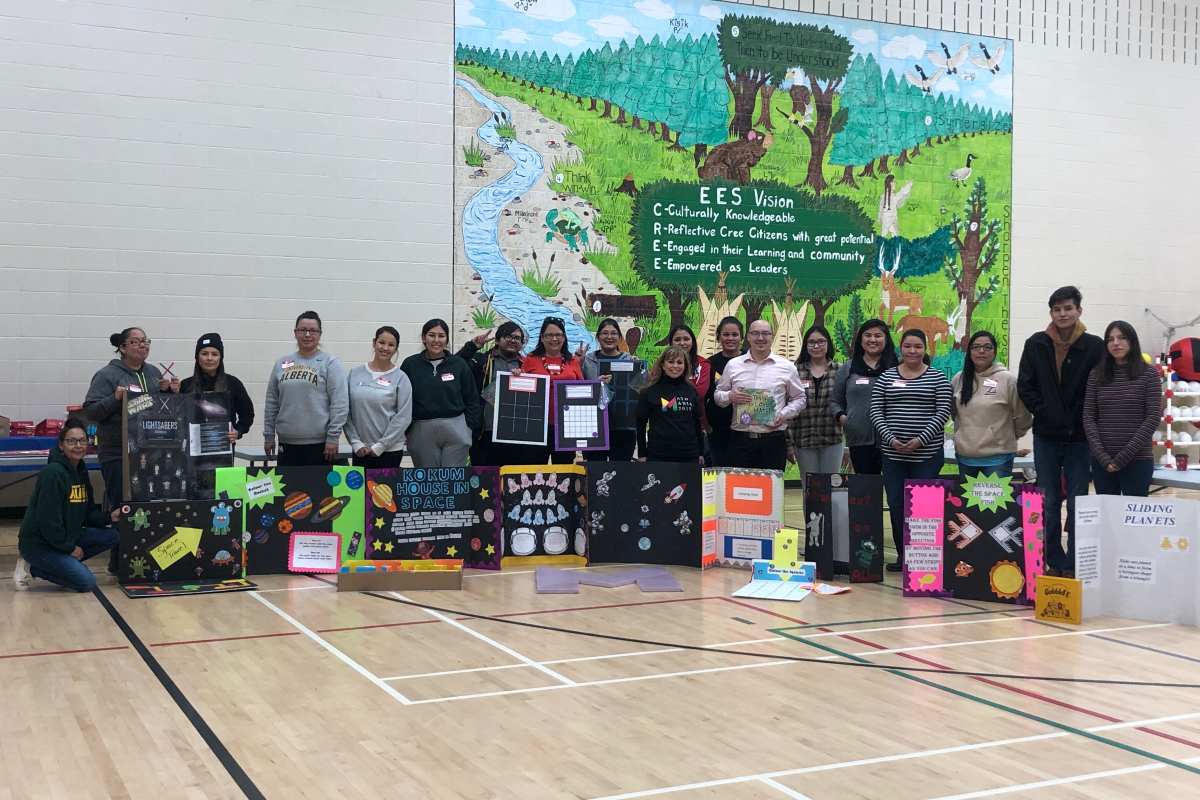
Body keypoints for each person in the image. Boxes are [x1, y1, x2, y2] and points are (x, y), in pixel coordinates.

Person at [1017, 286, 1105, 576]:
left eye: (1068, 308)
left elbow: (1100, 388)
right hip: (1046, 437)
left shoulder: (1094, 346)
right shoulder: (1035, 343)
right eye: (1057, 309)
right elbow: (1025, 386)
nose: (1063, 314)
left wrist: (1083, 418)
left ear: (1079, 310)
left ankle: (1075, 562)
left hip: (1081, 438)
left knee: (1079, 501)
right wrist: (1044, 411)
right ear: (1051, 313)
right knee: (1049, 501)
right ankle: (1054, 559)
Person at [871, 329, 953, 571]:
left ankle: (923, 558)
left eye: (918, 346)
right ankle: (903, 556)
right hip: (893, 456)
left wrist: (920, 440)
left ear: (924, 349)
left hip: (927, 456)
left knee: (923, 508)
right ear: (901, 348)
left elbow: (943, 412)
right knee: (897, 504)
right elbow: (876, 411)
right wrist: (890, 439)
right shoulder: (886, 377)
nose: (912, 351)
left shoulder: (938, 378)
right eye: (907, 346)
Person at [12, 419, 121, 592]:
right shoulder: (53, 473)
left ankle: (62, 566)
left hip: (67, 535)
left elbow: (88, 514)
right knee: (86, 582)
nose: (78, 446)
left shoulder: (81, 471)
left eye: (82, 441)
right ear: (61, 445)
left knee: (113, 535)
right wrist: (69, 548)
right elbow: (48, 522)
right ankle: (32, 567)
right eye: (71, 441)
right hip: (39, 544)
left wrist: (110, 517)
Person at [84, 327, 177, 512]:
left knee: (151, 508)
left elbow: (160, 411)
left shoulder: (154, 373)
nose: (143, 345)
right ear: (123, 348)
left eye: (145, 341)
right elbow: (91, 412)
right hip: (118, 455)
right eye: (135, 341)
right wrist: (114, 398)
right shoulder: (107, 375)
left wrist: (169, 392)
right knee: (123, 510)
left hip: (151, 454)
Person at [713, 319, 807, 471]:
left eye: (765, 333)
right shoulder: (733, 365)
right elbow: (718, 396)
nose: (760, 338)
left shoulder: (787, 367)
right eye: (755, 333)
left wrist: (783, 414)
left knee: (771, 485)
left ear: (772, 336)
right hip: (740, 440)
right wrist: (730, 396)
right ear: (748, 337)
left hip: (773, 441)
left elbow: (800, 398)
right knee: (739, 485)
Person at [1083, 321, 1162, 498]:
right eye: (1110, 339)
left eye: (1122, 338)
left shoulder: (1149, 374)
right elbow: (1088, 417)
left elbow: (1152, 418)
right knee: (1108, 513)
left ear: (1132, 341)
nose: (1116, 343)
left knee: (1133, 514)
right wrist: (1103, 457)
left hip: (1137, 461)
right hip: (1102, 463)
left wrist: (1122, 458)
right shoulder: (1096, 375)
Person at [263, 311, 349, 466]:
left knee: (319, 483)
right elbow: (272, 402)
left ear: (320, 334)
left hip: (321, 445)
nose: (307, 334)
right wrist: (269, 435)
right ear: (295, 332)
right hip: (287, 444)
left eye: (313, 330)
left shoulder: (330, 363)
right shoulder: (281, 363)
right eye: (303, 330)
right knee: (290, 483)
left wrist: (333, 437)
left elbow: (340, 403)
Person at [951, 331, 1031, 478]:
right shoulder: (959, 379)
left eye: (987, 347)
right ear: (969, 351)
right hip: (965, 457)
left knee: (996, 495)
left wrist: (1006, 437)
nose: (981, 351)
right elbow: (954, 414)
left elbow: (1023, 416)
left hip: (998, 459)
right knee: (966, 495)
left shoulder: (1007, 380)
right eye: (976, 347)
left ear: (994, 351)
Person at [400, 319, 480, 468]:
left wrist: (468, 428)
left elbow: (472, 398)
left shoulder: (459, 364)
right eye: (431, 335)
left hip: (456, 428)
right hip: (421, 429)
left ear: (447, 339)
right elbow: (402, 399)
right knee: (428, 479)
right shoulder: (410, 364)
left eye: (441, 336)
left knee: (453, 478)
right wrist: (407, 429)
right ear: (423, 338)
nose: (436, 340)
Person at [457, 321, 537, 466]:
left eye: (517, 338)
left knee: (513, 478)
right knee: (485, 477)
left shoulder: (526, 365)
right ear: (498, 340)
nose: (513, 340)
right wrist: (472, 346)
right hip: (485, 432)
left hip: (516, 434)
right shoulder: (481, 360)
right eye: (508, 336)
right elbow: (454, 365)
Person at [831, 319, 898, 475]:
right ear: (860, 340)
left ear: (886, 339)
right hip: (859, 439)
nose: (872, 339)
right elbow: (835, 401)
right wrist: (844, 418)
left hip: (894, 439)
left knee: (895, 484)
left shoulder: (897, 367)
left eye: (878, 336)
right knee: (866, 486)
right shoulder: (848, 368)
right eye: (868, 335)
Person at [344, 326, 413, 468]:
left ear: (396, 349)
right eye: (382, 342)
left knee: (384, 485)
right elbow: (345, 410)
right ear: (374, 343)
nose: (385, 348)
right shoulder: (355, 373)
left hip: (390, 451)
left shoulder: (401, 378)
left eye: (391, 345)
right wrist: (355, 442)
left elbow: (403, 417)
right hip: (360, 450)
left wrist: (381, 445)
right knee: (362, 484)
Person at [521, 317, 584, 464]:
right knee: (535, 469)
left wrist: (598, 384)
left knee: (563, 470)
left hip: (565, 428)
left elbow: (582, 390)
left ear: (564, 338)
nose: (554, 339)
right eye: (549, 335)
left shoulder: (572, 361)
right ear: (542, 338)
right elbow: (521, 390)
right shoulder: (530, 359)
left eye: (558, 335)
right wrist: (517, 375)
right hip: (536, 426)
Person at [581, 318, 644, 462]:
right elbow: (579, 390)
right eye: (605, 333)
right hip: (595, 427)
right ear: (598, 337)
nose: (609, 337)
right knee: (595, 470)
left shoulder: (630, 360)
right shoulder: (587, 361)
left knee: (620, 471)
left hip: (623, 428)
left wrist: (639, 371)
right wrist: (595, 385)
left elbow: (640, 391)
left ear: (620, 337)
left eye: (614, 333)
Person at [788, 325, 844, 479]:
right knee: (810, 487)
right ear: (806, 345)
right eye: (811, 342)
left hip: (832, 438)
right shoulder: (795, 371)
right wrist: (788, 443)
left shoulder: (840, 370)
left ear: (828, 344)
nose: (816, 346)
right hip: (803, 439)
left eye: (821, 341)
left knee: (831, 485)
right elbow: (788, 407)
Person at [180, 333, 255, 442]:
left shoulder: (233, 384)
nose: (209, 358)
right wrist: (171, 392)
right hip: (192, 448)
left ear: (221, 358)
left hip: (222, 447)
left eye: (215, 354)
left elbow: (247, 414)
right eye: (204, 354)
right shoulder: (185, 385)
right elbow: (176, 418)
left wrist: (238, 431)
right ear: (197, 357)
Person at [635, 346, 704, 463]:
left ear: (685, 366)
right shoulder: (649, 391)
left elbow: (697, 423)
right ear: (663, 365)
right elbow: (640, 424)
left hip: (689, 454)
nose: (675, 366)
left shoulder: (692, 390)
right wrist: (642, 453)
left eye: (679, 362)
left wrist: (701, 452)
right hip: (658, 455)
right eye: (671, 362)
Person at [706, 316, 745, 467]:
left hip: (745, 428)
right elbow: (706, 395)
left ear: (741, 337)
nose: (730, 338)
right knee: (719, 471)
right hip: (718, 428)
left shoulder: (750, 360)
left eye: (735, 335)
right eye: (726, 334)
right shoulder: (710, 363)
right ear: (718, 337)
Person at [668, 324, 712, 434]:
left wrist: (671, 399)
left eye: (686, 339)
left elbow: (699, 393)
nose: (682, 343)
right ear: (671, 343)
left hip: (695, 424)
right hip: (667, 422)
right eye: (677, 339)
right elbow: (657, 392)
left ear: (693, 342)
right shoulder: (663, 364)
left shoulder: (703, 364)